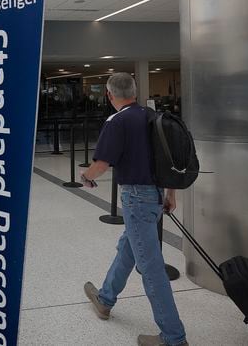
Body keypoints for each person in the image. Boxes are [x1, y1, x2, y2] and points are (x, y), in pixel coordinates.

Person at [80, 73, 188, 346]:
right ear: (135, 92)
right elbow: (168, 160)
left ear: (109, 95)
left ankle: (174, 337)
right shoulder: (153, 116)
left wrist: (87, 176)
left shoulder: (117, 121)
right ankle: (105, 299)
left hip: (136, 198)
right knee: (128, 247)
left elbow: (102, 164)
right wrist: (170, 194)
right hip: (155, 194)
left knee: (151, 269)